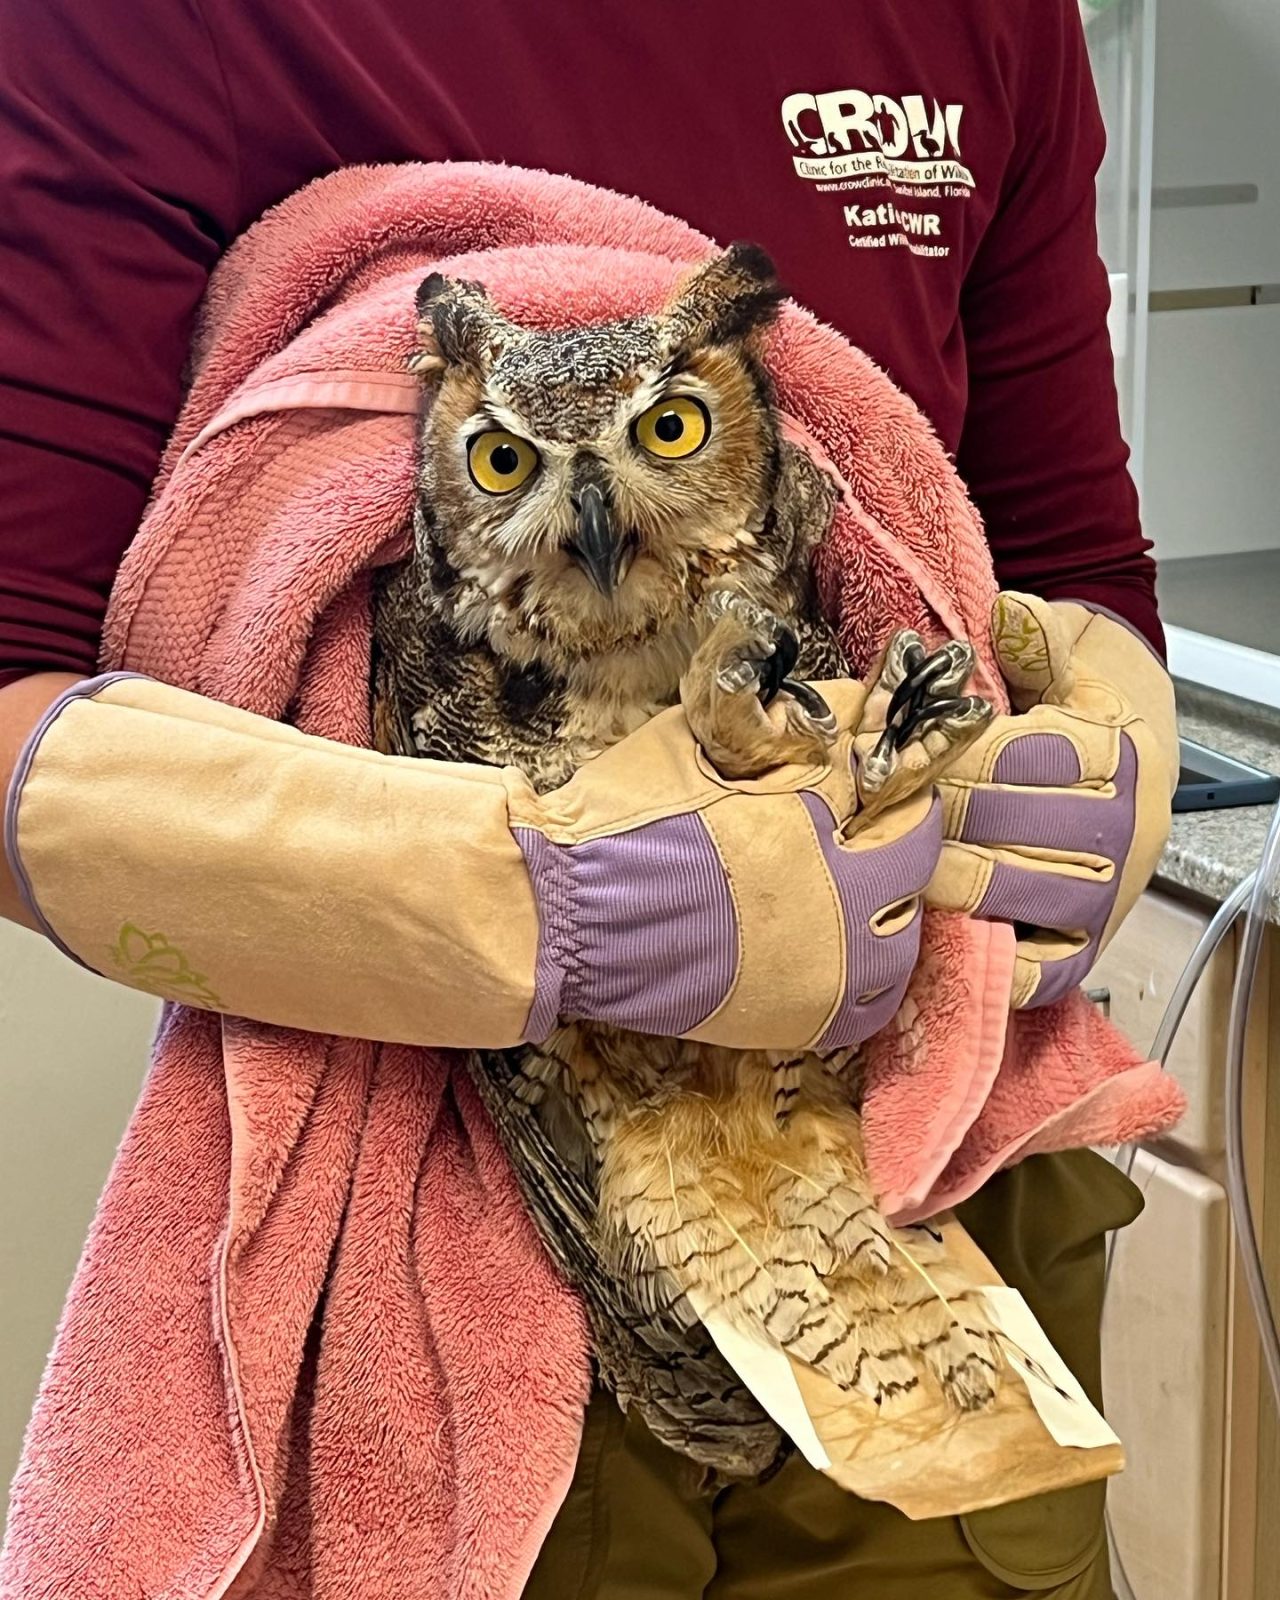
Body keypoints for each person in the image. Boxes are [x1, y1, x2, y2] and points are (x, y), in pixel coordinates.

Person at [0, 0, 1174, 1594]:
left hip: (921, 1175)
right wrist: (541, 896)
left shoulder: (985, 18)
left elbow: (1054, 556)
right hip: (454, 1204)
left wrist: (1109, 733)